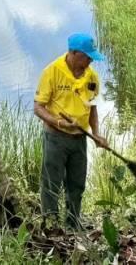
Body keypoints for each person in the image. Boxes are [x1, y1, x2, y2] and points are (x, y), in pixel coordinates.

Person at [33, 32, 108, 229]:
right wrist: (59, 123)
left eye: (92, 57)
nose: (90, 61)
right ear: (74, 53)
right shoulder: (52, 71)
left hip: (79, 139)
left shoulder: (92, 77)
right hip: (55, 138)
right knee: (51, 183)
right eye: (87, 57)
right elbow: (38, 107)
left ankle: (73, 223)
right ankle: (50, 224)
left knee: (77, 185)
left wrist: (97, 134)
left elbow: (92, 108)